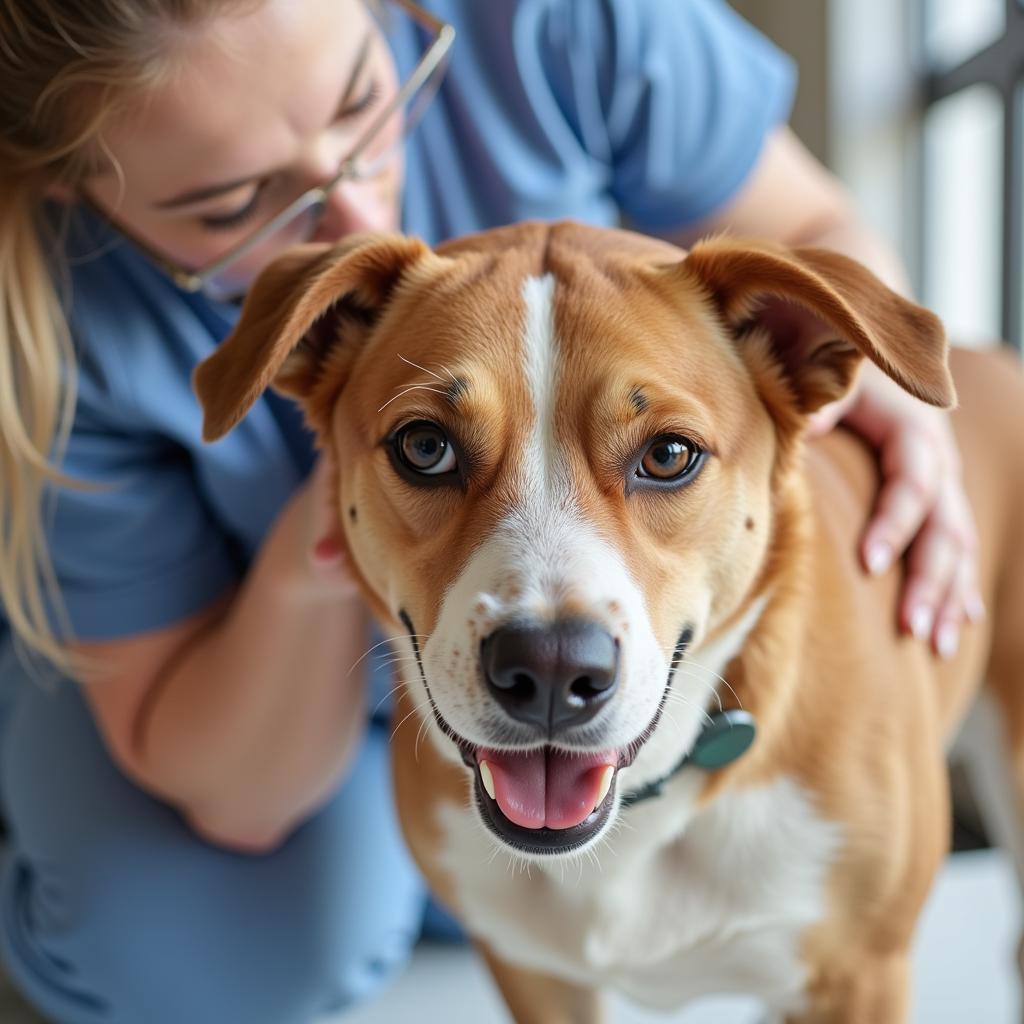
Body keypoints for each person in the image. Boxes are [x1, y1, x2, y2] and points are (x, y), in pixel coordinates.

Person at [0, 1, 982, 1021]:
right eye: (235, 202)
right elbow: (233, 796)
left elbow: (817, 230)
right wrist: (311, 552)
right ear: (83, 189)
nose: (358, 217)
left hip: (458, 658)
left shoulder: (561, 22)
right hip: (276, 670)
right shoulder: (78, 331)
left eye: (361, 102)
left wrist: (897, 402)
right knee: (175, 944)